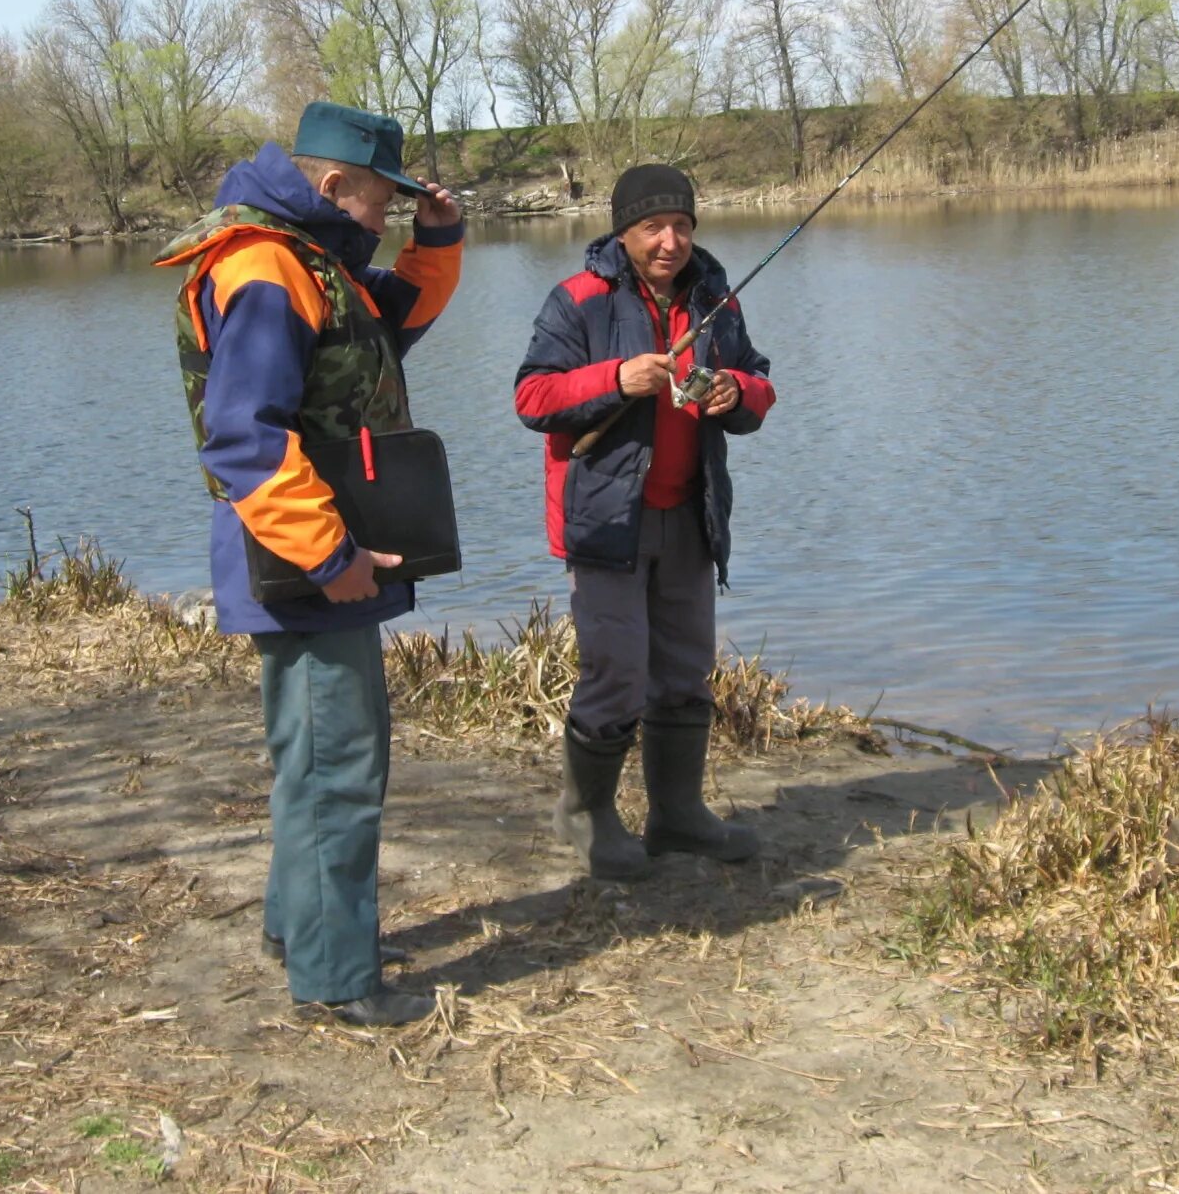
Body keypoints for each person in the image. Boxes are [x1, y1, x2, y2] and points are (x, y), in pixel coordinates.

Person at [155, 102, 463, 1026]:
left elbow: (384, 330)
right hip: (308, 557)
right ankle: (335, 978)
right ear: (332, 186)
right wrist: (331, 555)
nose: (385, 217)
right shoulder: (266, 267)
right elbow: (244, 441)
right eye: (382, 199)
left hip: (303, 552)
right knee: (340, 763)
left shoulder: (311, 261)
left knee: (313, 756)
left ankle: (301, 926)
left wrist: (437, 240)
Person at [514, 164, 777, 879]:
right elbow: (533, 397)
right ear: (622, 230)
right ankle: (587, 815)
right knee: (616, 672)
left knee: (686, 671)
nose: (670, 241)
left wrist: (736, 390)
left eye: (682, 226)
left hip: (691, 517)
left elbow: (760, 379)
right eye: (653, 227)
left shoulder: (716, 297)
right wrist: (616, 378)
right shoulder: (577, 299)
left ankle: (678, 815)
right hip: (605, 524)